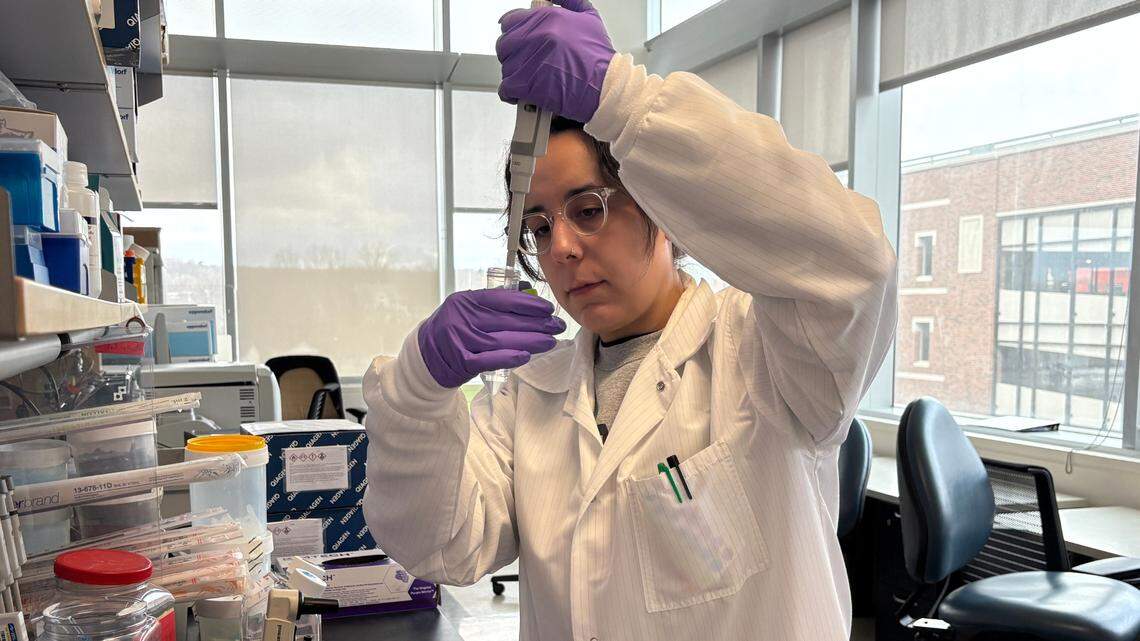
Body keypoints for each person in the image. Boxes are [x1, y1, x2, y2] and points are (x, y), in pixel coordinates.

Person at [361, 1, 897, 639]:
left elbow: (852, 259)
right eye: (537, 225)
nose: (559, 247)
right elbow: (441, 545)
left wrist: (624, 101)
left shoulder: (767, 357)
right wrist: (420, 387)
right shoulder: (530, 396)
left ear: (665, 208)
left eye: (587, 209)